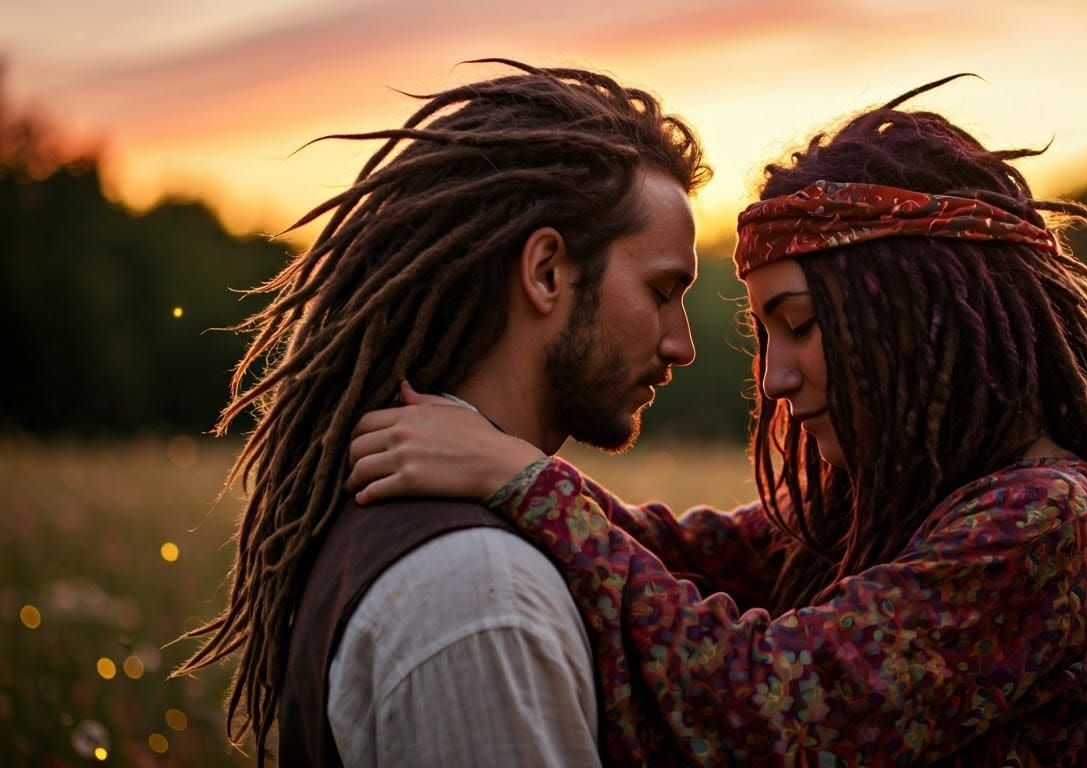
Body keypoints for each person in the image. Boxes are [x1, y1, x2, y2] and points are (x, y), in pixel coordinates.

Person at [349, 77, 1087, 767]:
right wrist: (493, 464)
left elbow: (768, 708)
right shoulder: (894, 505)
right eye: (766, 333)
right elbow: (673, 557)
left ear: (915, 314)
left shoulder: (1043, 523)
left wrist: (523, 480)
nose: (773, 378)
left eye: (800, 325)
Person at [173, 61, 710, 767]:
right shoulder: (480, 596)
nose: (683, 344)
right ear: (547, 272)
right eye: (662, 290)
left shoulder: (430, 541)